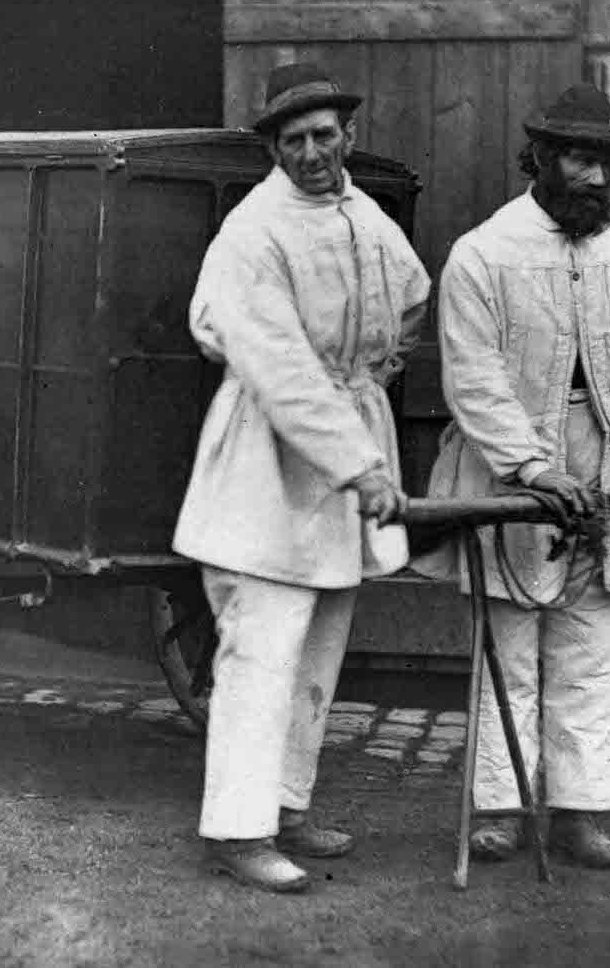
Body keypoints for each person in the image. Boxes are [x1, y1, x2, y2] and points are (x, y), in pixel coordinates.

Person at [421, 83, 610, 869]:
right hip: (509, 462)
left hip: (605, 463)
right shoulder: (483, 253)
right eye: (581, 159)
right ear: (539, 158)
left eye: (606, 164)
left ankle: (578, 811)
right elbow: (473, 380)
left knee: (593, 646)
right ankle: (501, 809)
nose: (597, 179)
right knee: (509, 648)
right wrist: (532, 468)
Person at [172, 61, 431, 893]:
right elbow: (281, 371)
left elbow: (415, 298)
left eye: (325, 136)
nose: (313, 153)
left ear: (348, 135)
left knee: (320, 644)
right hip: (263, 464)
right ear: (273, 151)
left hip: (342, 461)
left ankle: (288, 806)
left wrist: (377, 375)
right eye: (293, 142)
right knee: (262, 647)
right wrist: (361, 463)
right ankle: (238, 831)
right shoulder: (253, 233)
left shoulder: (367, 217)